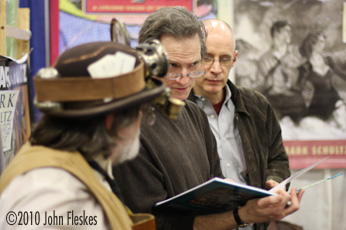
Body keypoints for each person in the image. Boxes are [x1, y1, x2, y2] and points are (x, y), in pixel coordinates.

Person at [113, 7, 304, 230]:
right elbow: (152, 225)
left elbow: (214, 191)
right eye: (173, 66)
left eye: (193, 65)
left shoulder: (194, 115)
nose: (184, 79)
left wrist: (250, 201)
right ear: (148, 60)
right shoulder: (129, 129)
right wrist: (242, 214)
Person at [0, 41, 167, 229]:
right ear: (111, 121)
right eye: (140, 109)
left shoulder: (82, 166)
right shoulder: (52, 192)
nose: (142, 118)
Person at [188, 19, 294, 230]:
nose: (216, 69)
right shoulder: (178, 110)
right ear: (193, 58)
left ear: (234, 59)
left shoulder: (257, 106)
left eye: (224, 59)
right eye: (207, 58)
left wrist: (275, 181)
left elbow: (277, 158)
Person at [256, 20, 306, 123]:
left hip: (294, 101)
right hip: (273, 102)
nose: (290, 35)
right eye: (287, 31)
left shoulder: (297, 56)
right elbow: (260, 84)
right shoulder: (264, 60)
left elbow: (305, 79)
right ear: (276, 33)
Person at [297, 31, 346, 122]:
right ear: (312, 44)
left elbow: (340, 74)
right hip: (318, 103)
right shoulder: (305, 66)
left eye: (323, 41)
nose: (323, 44)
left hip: (334, 99)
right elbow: (299, 86)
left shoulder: (328, 60)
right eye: (320, 42)